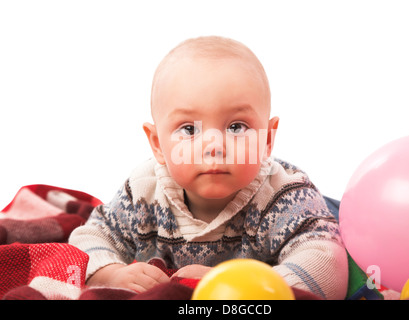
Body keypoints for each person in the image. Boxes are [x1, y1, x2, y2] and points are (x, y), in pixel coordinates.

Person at [69, 36, 348, 299]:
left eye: (236, 127)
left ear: (267, 139)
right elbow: (90, 236)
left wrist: (234, 285)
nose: (214, 146)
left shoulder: (286, 195)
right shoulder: (143, 192)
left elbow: (328, 266)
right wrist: (110, 273)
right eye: (189, 129)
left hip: (324, 213)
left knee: (339, 230)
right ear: (157, 144)